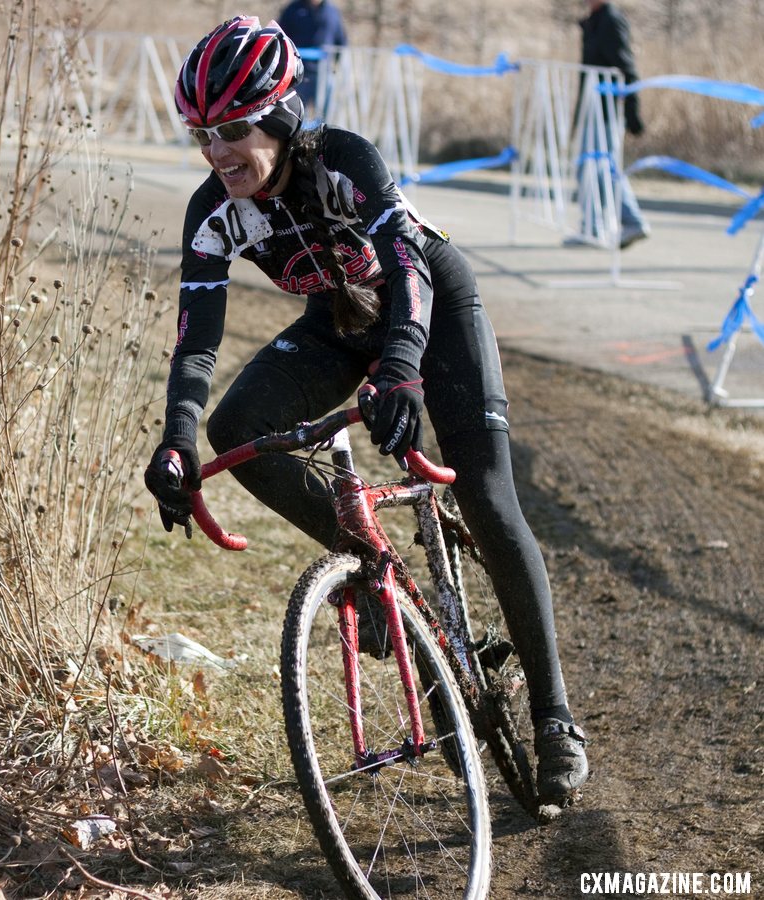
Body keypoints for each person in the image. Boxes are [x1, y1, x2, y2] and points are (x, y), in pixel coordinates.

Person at [144, 16, 589, 805]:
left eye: (233, 130)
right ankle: (378, 580)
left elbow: (409, 262)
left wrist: (403, 370)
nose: (217, 152)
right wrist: (176, 442)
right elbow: (196, 343)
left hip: (430, 308)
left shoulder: (341, 159)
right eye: (201, 134)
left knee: (484, 495)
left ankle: (555, 718)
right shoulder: (213, 211)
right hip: (341, 319)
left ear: (279, 116)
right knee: (232, 431)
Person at [576, 0, 649, 248]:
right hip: (593, 109)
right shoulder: (595, 21)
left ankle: (629, 221)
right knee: (593, 166)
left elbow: (626, 68)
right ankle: (594, 227)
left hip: (606, 112)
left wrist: (632, 114)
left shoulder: (611, 21)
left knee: (602, 167)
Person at [276, 0, 346, 117]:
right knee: (296, 113)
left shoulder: (332, 11)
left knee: (326, 114)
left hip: (324, 72)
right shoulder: (292, 9)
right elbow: (280, 36)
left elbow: (341, 40)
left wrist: (337, 66)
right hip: (297, 74)